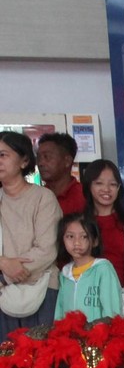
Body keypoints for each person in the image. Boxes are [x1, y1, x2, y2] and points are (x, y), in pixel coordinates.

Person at [0, 130, 60, 342]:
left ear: (24, 160)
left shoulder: (43, 198)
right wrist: (3, 264)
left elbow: (47, 249)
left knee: (40, 362)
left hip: (42, 289)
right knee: (6, 364)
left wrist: (10, 272)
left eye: (3, 155)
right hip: (2, 292)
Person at [83, 159, 124, 319]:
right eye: (99, 183)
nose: (106, 189)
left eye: (113, 184)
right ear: (89, 186)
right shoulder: (80, 224)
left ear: (119, 188)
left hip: (119, 300)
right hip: (87, 301)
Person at [54, 212, 122, 322]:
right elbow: (60, 313)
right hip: (70, 337)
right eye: (70, 236)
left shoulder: (103, 269)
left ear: (95, 241)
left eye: (84, 236)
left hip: (97, 336)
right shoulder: (65, 274)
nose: (76, 242)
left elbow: (111, 312)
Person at [36, 132, 86, 216]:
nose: (41, 163)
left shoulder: (84, 197)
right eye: (38, 158)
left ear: (67, 161)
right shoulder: (37, 196)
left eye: (47, 157)